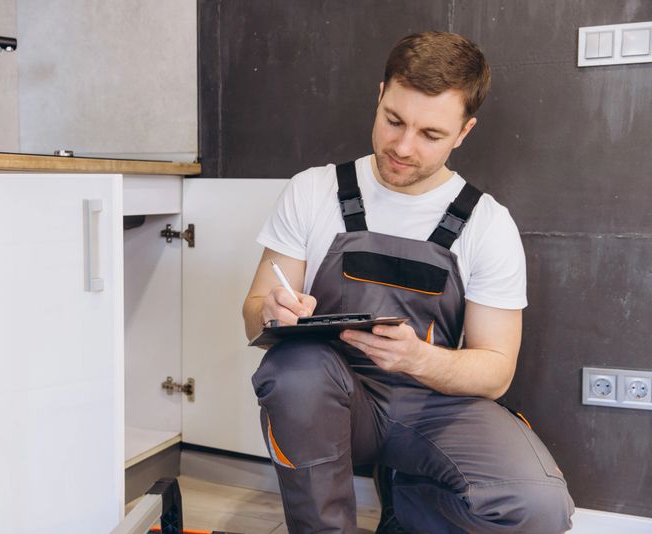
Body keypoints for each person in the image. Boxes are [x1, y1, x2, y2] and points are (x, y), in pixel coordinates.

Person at [242, 31, 575, 533]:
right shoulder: (313, 191)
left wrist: (417, 357)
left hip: (434, 406)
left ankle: (408, 506)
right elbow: (253, 311)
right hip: (331, 400)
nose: (402, 147)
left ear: (464, 132)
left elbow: (496, 371)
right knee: (293, 369)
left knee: (539, 508)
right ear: (379, 96)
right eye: (393, 120)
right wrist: (270, 311)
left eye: (430, 135)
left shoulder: (486, 223)